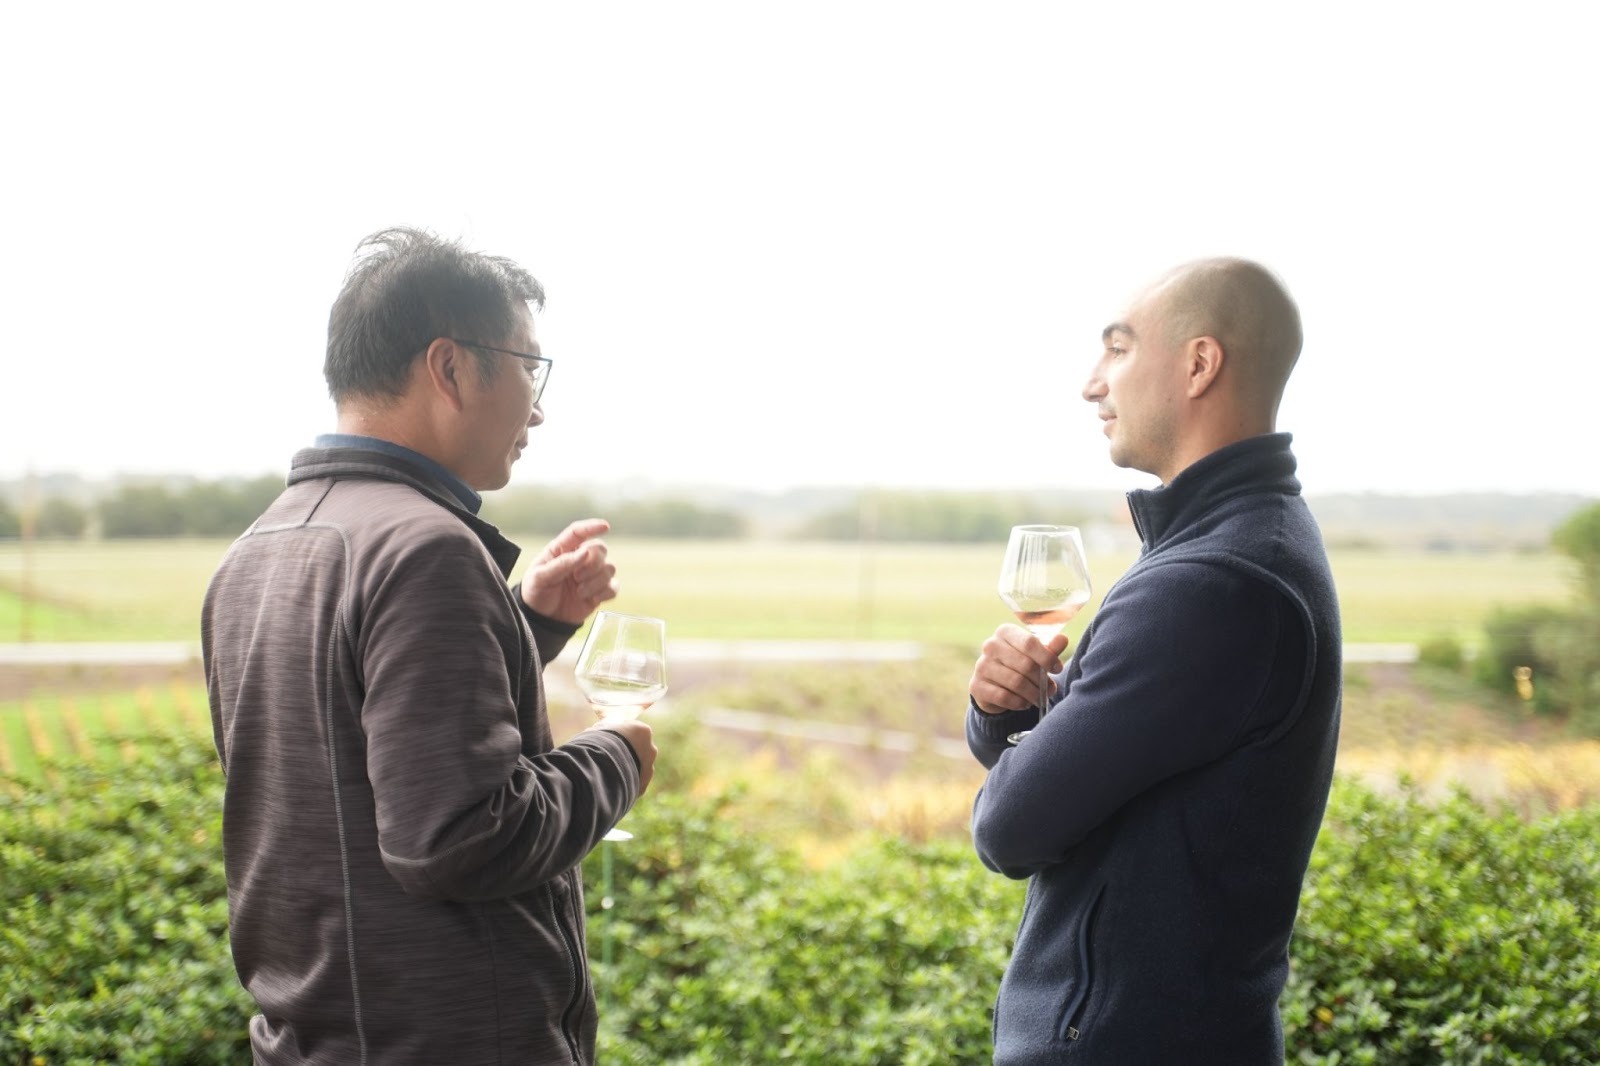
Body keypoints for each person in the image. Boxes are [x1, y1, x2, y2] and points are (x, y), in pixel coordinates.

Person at [202, 227, 657, 1065]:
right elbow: (459, 836)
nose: (538, 407)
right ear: (448, 368)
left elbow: (357, 738)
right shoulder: (427, 549)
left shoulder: (262, 544)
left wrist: (527, 625)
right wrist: (617, 756)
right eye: (529, 368)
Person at [965, 257, 1342, 1064]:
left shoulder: (1210, 583)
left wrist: (1020, 744)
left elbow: (1011, 828)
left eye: (1118, 348)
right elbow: (1104, 770)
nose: (1091, 384)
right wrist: (1008, 716)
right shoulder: (1250, 541)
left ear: (1199, 365)